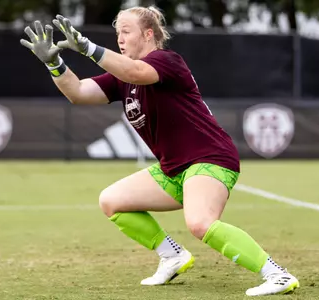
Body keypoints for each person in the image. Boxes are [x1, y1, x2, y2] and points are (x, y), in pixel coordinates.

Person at [20, 6, 300, 296]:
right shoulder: (121, 76)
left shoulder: (166, 61)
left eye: (126, 31)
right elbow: (78, 92)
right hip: (174, 168)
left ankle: (277, 275)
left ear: (149, 33)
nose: (120, 38)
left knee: (200, 223)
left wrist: (89, 48)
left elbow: (136, 72)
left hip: (210, 159)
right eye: (117, 33)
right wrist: (55, 64)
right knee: (111, 200)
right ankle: (173, 256)